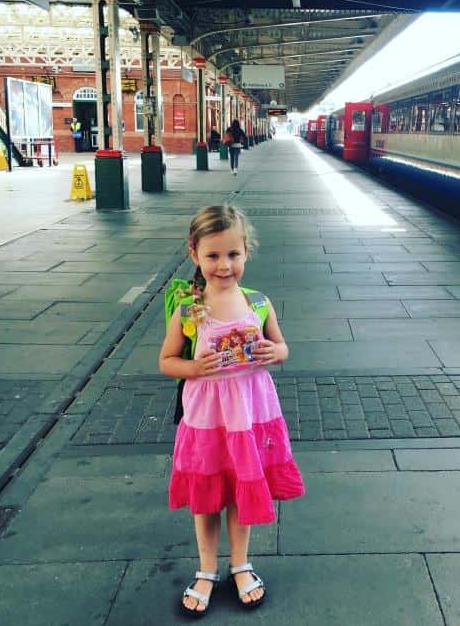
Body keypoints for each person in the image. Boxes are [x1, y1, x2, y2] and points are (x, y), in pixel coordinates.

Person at [159, 205, 305, 618]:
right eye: (213, 256)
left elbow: (283, 347)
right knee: (207, 497)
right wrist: (192, 367)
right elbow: (167, 360)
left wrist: (274, 351)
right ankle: (206, 569)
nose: (224, 266)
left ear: (246, 253)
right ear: (195, 254)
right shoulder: (189, 307)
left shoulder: (258, 303)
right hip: (207, 417)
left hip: (251, 412)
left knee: (242, 486)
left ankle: (240, 563)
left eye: (233, 255)